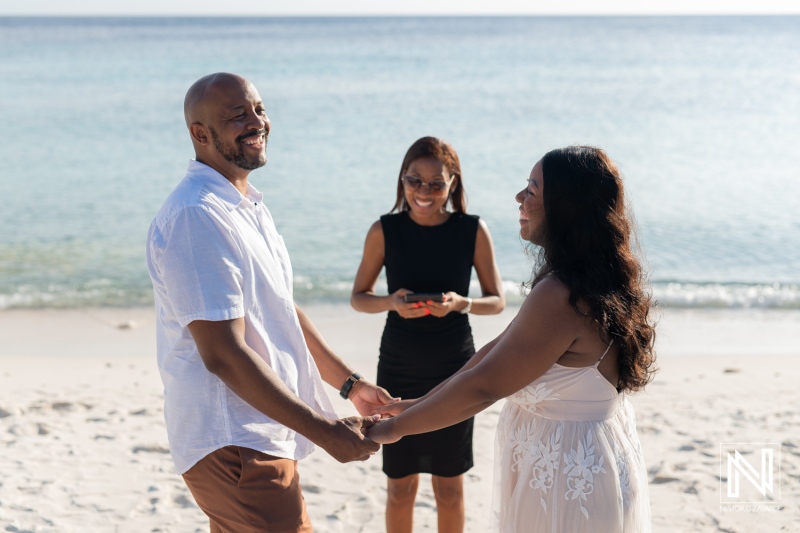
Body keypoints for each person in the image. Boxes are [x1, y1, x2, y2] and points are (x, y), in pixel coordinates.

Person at [146, 72, 395, 533]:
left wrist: (350, 386)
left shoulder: (246, 204)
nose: (256, 121)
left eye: (259, 109)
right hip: (234, 438)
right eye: (237, 114)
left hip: (260, 433)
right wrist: (324, 433)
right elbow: (223, 354)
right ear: (200, 134)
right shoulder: (197, 215)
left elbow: (279, 310)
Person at [369, 146, 656, 532]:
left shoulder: (560, 294)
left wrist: (392, 430)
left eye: (532, 190)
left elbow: (484, 386)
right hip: (582, 460)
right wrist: (415, 405)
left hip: (566, 483)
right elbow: (493, 354)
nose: (520, 198)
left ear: (564, 207)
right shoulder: (591, 277)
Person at [351, 136, 506, 533]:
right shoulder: (384, 230)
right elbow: (359, 297)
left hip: (456, 368)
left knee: (450, 489)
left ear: (453, 184)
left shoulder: (472, 230)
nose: (423, 192)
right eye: (413, 181)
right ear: (401, 181)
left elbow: (497, 300)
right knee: (399, 488)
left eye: (436, 183)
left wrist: (460, 303)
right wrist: (392, 302)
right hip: (398, 366)